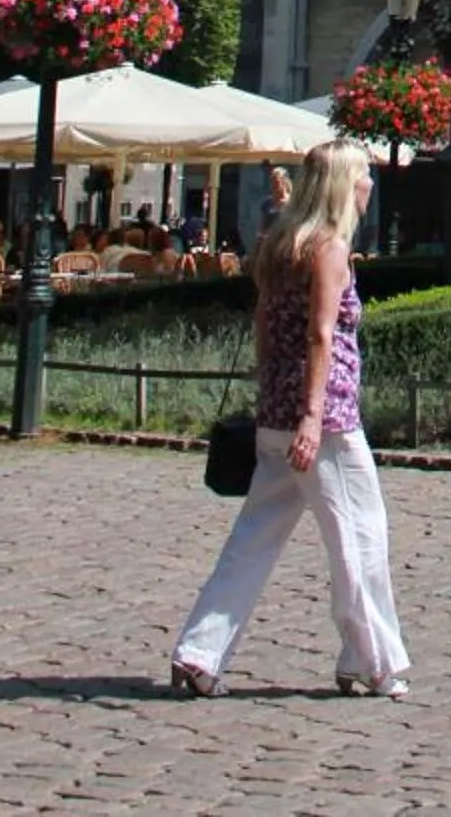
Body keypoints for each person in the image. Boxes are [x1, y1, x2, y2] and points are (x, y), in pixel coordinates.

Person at [168, 140, 408, 700]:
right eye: (365, 175)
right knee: (359, 537)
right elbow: (321, 334)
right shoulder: (328, 248)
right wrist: (312, 415)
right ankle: (374, 661)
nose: (371, 184)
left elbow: (262, 327)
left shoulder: (279, 245)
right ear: (345, 185)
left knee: (253, 538)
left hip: (277, 412)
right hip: (325, 421)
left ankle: (199, 654)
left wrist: (275, 399)